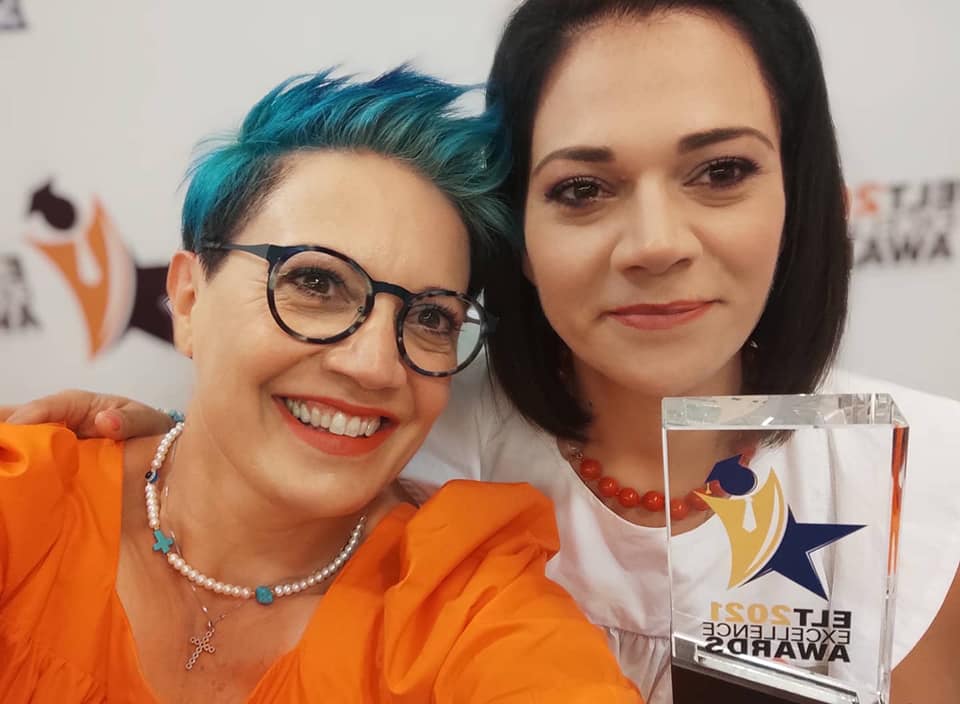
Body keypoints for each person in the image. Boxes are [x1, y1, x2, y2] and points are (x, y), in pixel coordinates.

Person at [7, 1, 959, 702]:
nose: (656, 244)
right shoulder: (414, 432)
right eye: (584, 189)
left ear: (799, 191)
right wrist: (156, 443)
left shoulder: (916, 472)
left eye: (721, 171)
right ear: (523, 240)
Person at [0, 68, 643, 703]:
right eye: (315, 283)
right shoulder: (27, 504)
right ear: (189, 300)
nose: (374, 366)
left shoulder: (459, 604)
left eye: (430, 318)